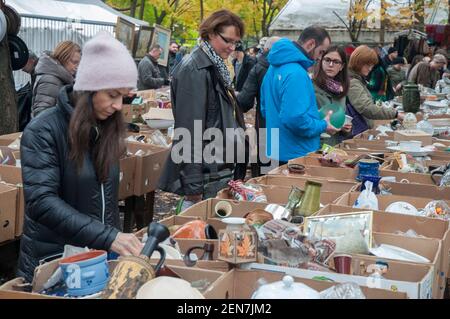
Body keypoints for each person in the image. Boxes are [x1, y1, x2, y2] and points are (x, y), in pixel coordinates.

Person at [17, 31, 143, 283]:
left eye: (123, 96)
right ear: (88, 89)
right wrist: (108, 236)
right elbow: (42, 202)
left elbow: (105, 202)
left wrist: (112, 242)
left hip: (95, 261)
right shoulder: (44, 130)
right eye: (112, 95)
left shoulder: (105, 128)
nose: (119, 106)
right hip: (54, 264)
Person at [159, 10, 247, 209]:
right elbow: (189, 130)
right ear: (211, 33)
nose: (232, 48)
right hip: (207, 173)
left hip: (216, 167)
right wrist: (193, 186)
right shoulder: (195, 69)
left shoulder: (214, 65)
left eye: (236, 43)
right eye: (228, 41)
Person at [261, 26, 337, 164]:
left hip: (277, 149)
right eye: (321, 52)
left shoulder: (273, 68)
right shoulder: (296, 73)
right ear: (310, 44)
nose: (320, 58)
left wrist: (312, 115)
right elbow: (295, 119)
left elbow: (265, 108)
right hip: (296, 153)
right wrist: (322, 125)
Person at [237, 36, 280, 176]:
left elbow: (244, 102)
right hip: (290, 135)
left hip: (265, 130)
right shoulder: (296, 69)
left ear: (265, 49)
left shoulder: (259, 68)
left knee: (263, 178)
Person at [347, 45, 404, 137]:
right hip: (355, 132)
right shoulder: (354, 82)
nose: (370, 69)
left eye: (372, 66)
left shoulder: (358, 80)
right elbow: (367, 108)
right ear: (358, 62)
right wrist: (395, 113)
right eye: (367, 65)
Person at [313, 46, 353, 146]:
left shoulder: (341, 90)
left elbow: (338, 119)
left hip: (332, 147)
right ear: (321, 61)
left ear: (342, 66)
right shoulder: (310, 85)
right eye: (327, 60)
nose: (330, 65)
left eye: (336, 62)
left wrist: (345, 127)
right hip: (314, 145)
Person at [32, 41, 81, 118]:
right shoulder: (50, 79)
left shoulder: (62, 78)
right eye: (74, 62)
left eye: (78, 63)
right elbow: (41, 115)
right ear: (63, 57)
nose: (77, 67)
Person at [16, 51, 38, 131]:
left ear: (31, 60)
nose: (21, 68)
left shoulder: (38, 72)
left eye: (23, 64)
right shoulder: (36, 72)